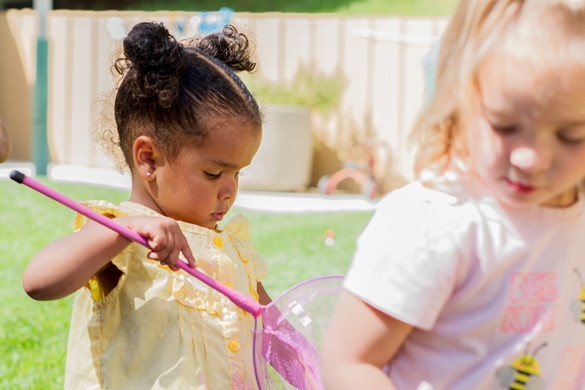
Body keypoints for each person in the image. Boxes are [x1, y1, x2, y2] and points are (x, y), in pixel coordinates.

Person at [322, 0, 585, 389]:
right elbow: (349, 363)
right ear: (461, 103)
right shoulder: (434, 221)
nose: (532, 158)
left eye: (570, 135)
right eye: (504, 126)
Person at [22, 22, 270, 390]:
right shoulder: (117, 233)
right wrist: (126, 231)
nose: (229, 191)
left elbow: (275, 332)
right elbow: (38, 282)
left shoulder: (232, 248)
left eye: (238, 175)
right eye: (214, 172)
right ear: (148, 159)